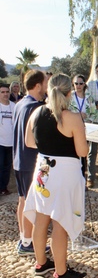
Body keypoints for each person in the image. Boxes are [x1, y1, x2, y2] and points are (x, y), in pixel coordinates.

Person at [23, 73, 88, 278]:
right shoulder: (72, 117)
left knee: (41, 217)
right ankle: (61, 272)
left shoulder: (36, 113)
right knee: (60, 221)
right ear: (69, 92)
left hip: (43, 169)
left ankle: (41, 263)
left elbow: (29, 142)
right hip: (65, 173)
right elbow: (83, 151)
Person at [13, 69, 49, 255]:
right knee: (30, 204)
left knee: (22, 200)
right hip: (30, 161)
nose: (47, 86)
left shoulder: (20, 104)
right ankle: (27, 243)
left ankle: (24, 238)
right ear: (37, 85)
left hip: (19, 160)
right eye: (45, 83)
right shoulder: (34, 108)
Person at [69, 74, 97, 180]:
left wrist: (89, 120)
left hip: (85, 129)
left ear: (84, 84)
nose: (78, 85)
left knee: (84, 155)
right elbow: (65, 111)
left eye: (81, 83)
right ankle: (73, 179)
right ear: (73, 84)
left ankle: (82, 179)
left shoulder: (89, 98)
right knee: (73, 155)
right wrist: (77, 116)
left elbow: (94, 113)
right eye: (76, 83)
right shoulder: (69, 97)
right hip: (71, 130)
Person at [0, 83, 15, 195]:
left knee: (7, 167)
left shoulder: (14, 106)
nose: (5, 94)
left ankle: (3, 188)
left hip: (11, 143)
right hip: (0, 142)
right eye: (2, 92)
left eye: (7, 92)